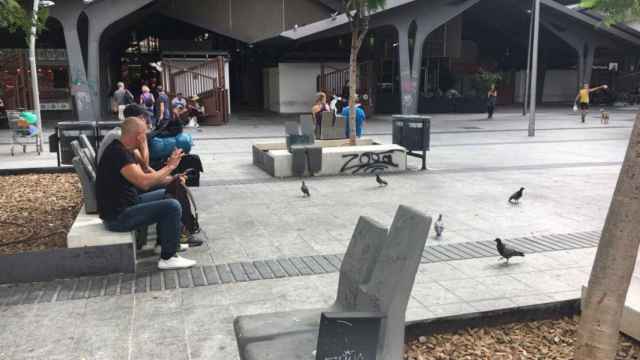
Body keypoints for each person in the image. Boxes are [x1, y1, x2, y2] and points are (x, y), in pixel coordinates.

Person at [96, 117, 196, 270]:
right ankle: (168, 258)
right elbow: (144, 182)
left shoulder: (124, 149)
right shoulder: (118, 154)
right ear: (138, 136)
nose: (147, 136)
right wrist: (169, 167)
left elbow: (147, 172)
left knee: (168, 193)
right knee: (172, 206)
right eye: (144, 134)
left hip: (129, 204)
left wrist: (173, 178)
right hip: (118, 217)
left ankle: (165, 243)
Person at [97, 104, 152, 171]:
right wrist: (144, 140)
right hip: (111, 177)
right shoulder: (122, 136)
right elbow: (144, 166)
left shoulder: (121, 131)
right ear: (138, 119)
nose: (146, 121)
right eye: (144, 118)